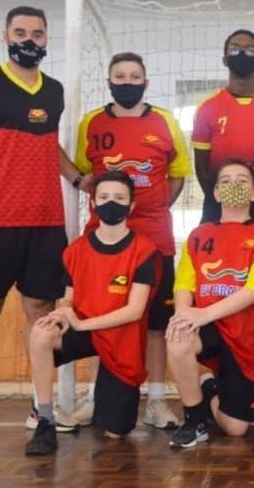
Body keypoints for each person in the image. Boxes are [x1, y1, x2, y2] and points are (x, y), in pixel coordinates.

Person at [0, 5, 87, 441]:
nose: (30, 40)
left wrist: (80, 178)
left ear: (47, 39)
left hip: (45, 223)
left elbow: (49, 148)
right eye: (21, 31)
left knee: (41, 314)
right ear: (5, 35)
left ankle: (39, 407)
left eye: (38, 33)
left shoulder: (55, 91)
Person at [72, 51, 189, 430]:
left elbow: (177, 176)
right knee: (99, 318)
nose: (126, 82)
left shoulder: (164, 121)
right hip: (100, 243)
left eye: (134, 76)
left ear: (145, 82)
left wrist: (150, 210)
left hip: (154, 238)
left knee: (156, 323)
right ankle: (95, 396)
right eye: (119, 76)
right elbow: (87, 175)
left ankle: (156, 400)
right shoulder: (91, 122)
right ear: (108, 81)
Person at [24, 171, 161, 455]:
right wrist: (62, 314)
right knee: (40, 332)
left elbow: (134, 312)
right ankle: (45, 420)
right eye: (105, 197)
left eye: (120, 198)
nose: (112, 203)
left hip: (120, 339)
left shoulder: (145, 251)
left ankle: (104, 398)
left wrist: (83, 325)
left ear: (131, 205)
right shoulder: (76, 250)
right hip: (82, 328)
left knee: (115, 433)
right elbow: (70, 299)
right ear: (94, 203)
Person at [165, 160, 254, 448]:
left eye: (242, 181)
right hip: (208, 327)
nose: (234, 186)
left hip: (244, 336)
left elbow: (253, 291)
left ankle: (208, 387)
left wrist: (203, 314)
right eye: (226, 181)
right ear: (215, 193)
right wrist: (182, 314)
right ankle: (194, 421)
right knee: (178, 338)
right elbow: (184, 284)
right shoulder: (198, 235)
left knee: (236, 429)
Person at [192, 29, 254, 231]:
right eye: (235, 49)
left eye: (249, 49)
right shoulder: (206, 108)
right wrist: (218, 196)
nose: (242, 54)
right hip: (217, 204)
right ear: (225, 59)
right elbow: (201, 164)